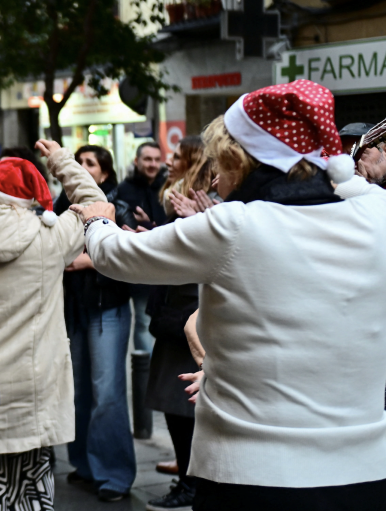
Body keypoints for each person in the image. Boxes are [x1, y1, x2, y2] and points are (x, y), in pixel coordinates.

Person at [72, 80, 386, 510]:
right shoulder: (377, 213)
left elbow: (116, 255)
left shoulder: (234, 225)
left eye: (223, 161)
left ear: (245, 159)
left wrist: (97, 218)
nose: (217, 175)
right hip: (365, 472)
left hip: (254, 474)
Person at [0, 142, 106, 508]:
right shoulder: (51, 238)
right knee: (32, 496)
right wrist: (60, 161)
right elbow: (95, 202)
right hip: (36, 395)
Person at [52, 145, 137, 502]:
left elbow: (131, 252)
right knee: (79, 392)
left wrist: (90, 261)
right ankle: (85, 465)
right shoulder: (60, 208)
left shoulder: (120, 205)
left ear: (104, 173)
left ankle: (114, 474)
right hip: (73, 307)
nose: (82, 168)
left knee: (107, 392)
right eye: (78, 162)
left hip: (108, 308)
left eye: (90, 164)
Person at [142, 136, 214, 511]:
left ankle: (191, 484)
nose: (169, 160)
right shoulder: (179, 193)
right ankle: (187, 480)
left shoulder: (206, 199)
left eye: (177, 156)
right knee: (176, 405)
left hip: (188, 310)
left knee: (185, 405)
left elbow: (198, 247)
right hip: (173, 307)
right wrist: (152, 233)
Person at [113, 141, 165, 354]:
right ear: (137, 161)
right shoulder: (124, 190)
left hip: (165, 265)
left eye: (156, 159)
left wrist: (152, 224)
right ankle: (145, 376)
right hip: (137, 266)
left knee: (157, 323)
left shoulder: (168, 187)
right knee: (143, 322)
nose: (152, 164)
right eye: (147, 159)